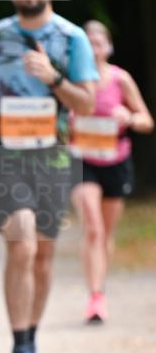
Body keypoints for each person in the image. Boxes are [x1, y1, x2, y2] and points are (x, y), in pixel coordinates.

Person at [0, 0, 98, 353]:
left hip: (54, 158)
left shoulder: (72, 38)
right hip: (2, 156)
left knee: (43, 255)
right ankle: (19, 349)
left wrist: (52, 76)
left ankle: (31, 343)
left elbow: (87, 101)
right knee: (20, 243)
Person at [70, 20, 153, 323]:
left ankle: (99, 289)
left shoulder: (121, 79)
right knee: (92, 227)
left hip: (116, 160)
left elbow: (147, 120)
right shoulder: (70, 80)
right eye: (87, 42)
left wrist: (129, 117)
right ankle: (94, 297)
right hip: (81, 160)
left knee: (105, 233)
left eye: (99, 42)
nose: (93, 47)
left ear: (109, 47)